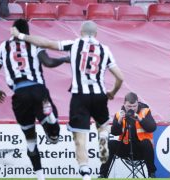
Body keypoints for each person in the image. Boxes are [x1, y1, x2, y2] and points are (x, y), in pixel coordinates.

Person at [11, 20, 124, 180]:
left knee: (79, 138)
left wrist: (21, 35)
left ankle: (85, 174)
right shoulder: (105, 50)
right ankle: (103, 136)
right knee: (103, 126)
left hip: (79, 96)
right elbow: (120, 77)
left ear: (80, 31)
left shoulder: (74, 44)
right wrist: (112, 91)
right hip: (99, 94)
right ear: (96, 34)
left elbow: (47, 43)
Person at [0, 19, 69, 180]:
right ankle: (51, 119)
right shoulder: (33, 43)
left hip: (19, 95)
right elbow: (49, 62)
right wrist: (63, 60)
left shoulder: (4, 47)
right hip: (38, 89)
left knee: (30, 139)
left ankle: (40, 177)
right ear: (27, 31)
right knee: (54, 137)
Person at [99, 92, 157, 178]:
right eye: (129, 106)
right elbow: (115, 132)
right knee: (110, 143)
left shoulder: (145, 111)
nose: (132, 109)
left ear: (138, 103)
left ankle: (151, 174)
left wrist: (140, 119)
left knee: (146, 143)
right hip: (125, 148)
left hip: (141, 150)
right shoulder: (119, 114)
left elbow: (152, 128)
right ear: (124, 104)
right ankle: (103, 174)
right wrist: (119, 121)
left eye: (134, 106)